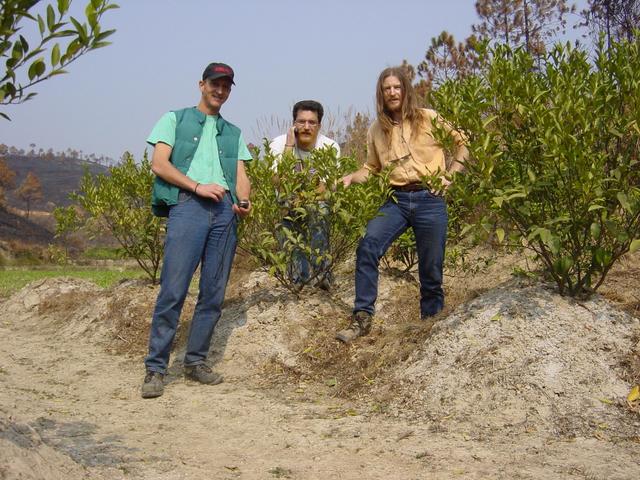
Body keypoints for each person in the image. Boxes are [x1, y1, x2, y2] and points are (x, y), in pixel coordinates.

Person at [141, 62, 252, 398]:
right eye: (215, 84)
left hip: (224, 214)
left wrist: (243, 202)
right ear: (201, 84)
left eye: (226, 86)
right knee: (173, 290)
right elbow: (159, 164)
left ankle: (195, 362)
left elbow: (241, 173)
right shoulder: (174, 118)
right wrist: (197, 186)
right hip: (188, 205)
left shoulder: (233, 132)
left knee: (213, 294)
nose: (220, 90)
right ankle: (156, 369)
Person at [335, 66, 468, 343]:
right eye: (387, 89)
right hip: (395, 199)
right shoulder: (376, 129)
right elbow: (371, 167)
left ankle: (430, 327)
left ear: (405, 90)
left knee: (431, 268)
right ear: (381, 94)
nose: (392, 92)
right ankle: (362, 318)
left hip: (429, 198)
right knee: (368, 244)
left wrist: (449, 177)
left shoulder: (428, 118)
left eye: (396, 87)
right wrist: (350, 177)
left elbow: (463, 143)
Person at [269, 100, 340, 289]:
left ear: (319, 125)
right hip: (288, 203)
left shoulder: (330, 146)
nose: (306, 127)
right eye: (301, 122)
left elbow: (327, 188)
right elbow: (278, 182)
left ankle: (321, 276)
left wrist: (301, 197)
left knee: (321, 209)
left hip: (316, 202)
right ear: (293, 123)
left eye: (312, 122)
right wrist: (289, 146)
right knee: (285, 205)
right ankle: (298, 279)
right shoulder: (278, 143)